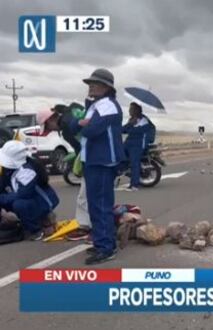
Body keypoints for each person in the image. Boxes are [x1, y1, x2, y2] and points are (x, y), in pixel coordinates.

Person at [70, 68, 125, 265]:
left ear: (107, 87)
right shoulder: (97, 105)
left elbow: (91, 131)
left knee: (101, 205)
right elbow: (80, 126)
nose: (90, 85)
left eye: (95, 83)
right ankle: (103, 241)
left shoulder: (107, 105)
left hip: (103, 160)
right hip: (93, 160)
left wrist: (84, 122)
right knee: (96, 204)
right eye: (89, 83)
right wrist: (83, 121)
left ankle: (106, 248)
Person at [37, 103, 91, 241]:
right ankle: (93, 225)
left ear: (50, 120)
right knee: (92, 196)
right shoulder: (71, 112)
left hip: (91, 160)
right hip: (98, 157)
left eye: (48, 127)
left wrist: (80, 166)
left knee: (84, 198)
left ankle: (85, 227)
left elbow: (80, 147)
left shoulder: (66, 126)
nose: (50, 130)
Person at [0, 141, 59, 241]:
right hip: (25, 200)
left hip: (41, 202)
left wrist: (1, 198)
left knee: (20, 204)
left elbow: (23, 194)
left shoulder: (27, 170)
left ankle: (36, 229)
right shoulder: (7, 170)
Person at [122, 102, 152, 191]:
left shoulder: (144, 121)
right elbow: (124, 130)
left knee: (134, 163)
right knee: (119, 156)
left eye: (131, 109)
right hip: (128, 143)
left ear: (136, 110)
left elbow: (136, 131)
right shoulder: (132, 119)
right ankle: (124, 171)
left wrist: (131, 125)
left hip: (137, 145)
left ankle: (134, 185)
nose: (129, 111)